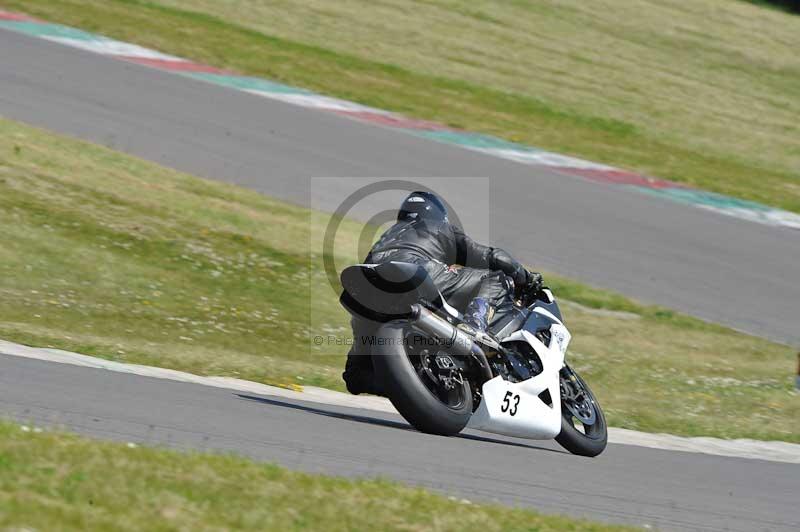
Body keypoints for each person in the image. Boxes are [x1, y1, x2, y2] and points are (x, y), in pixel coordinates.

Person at [342, 191, 543, 395]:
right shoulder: (437, 226)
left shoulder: (387, 237)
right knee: (494, 277)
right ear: (438, 214)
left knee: (356, 375)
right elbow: (491, 256)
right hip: (415, 273)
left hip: (369, 287)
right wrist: (525, 277)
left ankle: (422, 379)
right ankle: (475, 324)